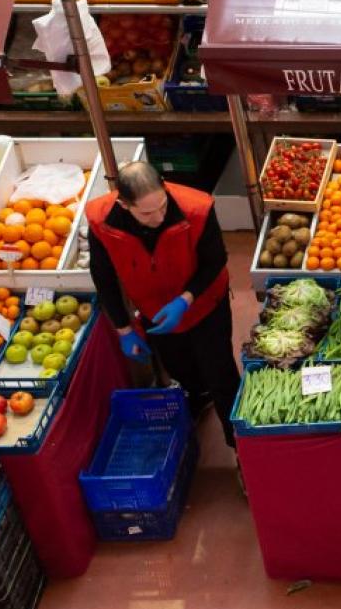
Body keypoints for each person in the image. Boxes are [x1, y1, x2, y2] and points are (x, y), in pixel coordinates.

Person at [85, 162, 241, 444]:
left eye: (162, 205)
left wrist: (186, 299)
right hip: (154, 310)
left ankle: (238, 444)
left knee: (220, 374)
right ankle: (198, 398)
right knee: (179, 366)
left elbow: (215, 260)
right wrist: (123, 328)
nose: (158, 217)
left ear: (165, 188)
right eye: (146, 213)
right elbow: (103, 275)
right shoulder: (101, 221)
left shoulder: (197, 208)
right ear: (123, 204)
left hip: (204, 302)